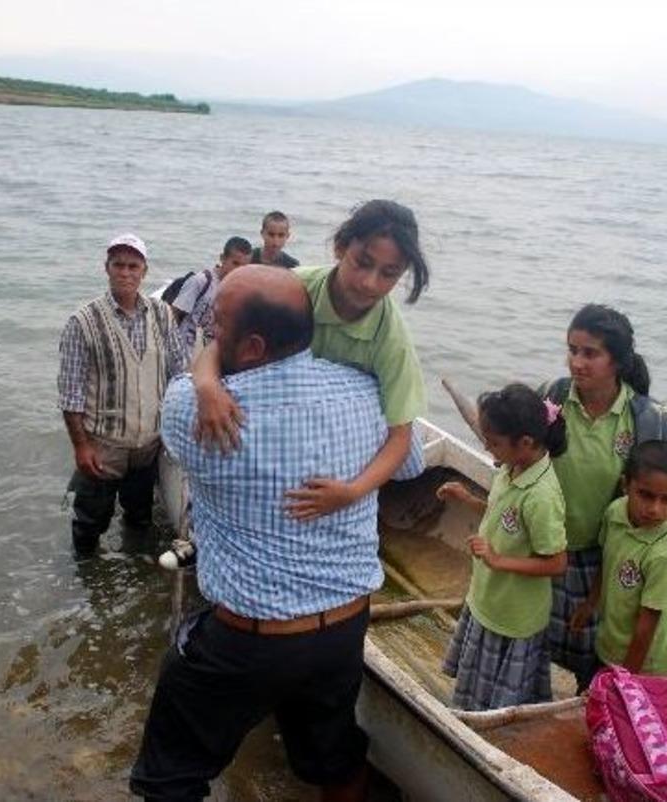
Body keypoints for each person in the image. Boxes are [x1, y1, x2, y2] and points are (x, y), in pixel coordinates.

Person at [130, 264, 424, 802]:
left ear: (254, 345)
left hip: (250, 639)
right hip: (342, 629)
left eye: (217, 325)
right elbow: (408, 464)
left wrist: (206, 373)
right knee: (334, 759)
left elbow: (198, 374)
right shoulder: (366, 393)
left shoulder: (197, 413)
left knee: (168, 777)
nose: (210, 336)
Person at [194, 199, 429, 522]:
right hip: (277, 413)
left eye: (388, 274)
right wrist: (207, 388)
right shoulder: (295, 287)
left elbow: (400, 437)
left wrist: (353, 492)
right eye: (362, 262)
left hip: (335, 442)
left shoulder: (392, 341)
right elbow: (222, 345)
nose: (369, 283)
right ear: (340, 248)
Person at [543, 303, 667, 688]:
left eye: (590, 353)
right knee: (542, 635)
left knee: (594, 649)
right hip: (548, 544)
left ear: (617, 361)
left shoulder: (646, 417)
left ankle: (595, 700)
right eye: (572, 350)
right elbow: (525, 444)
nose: (577, 362)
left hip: (605, 552)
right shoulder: (555, 397)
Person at [437, 383, 568, 710]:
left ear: (525, 443)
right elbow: (502, 516)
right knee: (477, 687)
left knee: (500, 700)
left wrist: (497, 560)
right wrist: (468, 499)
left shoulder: (541, 496)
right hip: (489, 598)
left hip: (514, 615)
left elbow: (556, 563)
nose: (487, 449)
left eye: (493, 443)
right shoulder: (511, 468)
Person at [56, 232, 187, 557]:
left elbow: (179, 373)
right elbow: (70, 394)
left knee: (140, 517)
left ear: (144, 271)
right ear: (107, 268)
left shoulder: (162, 314)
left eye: (133, 266)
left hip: (148, 445)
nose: (126, 273)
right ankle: (88, 584)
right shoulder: (83, 322)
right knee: (89, 523)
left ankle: (133, 571)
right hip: (104, 448)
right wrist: (81, 447)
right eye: (119, 265)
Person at [571, 440, 667, 676]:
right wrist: (590, 603)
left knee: (623, 708)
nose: (655, 509)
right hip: (612, 642)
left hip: (650, 662)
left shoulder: (663, 554)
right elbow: (608, 560)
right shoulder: (615, 512)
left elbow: (647, 626)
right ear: (626, 485)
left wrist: (626, 681)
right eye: (646, 495)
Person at [169, 236, 252, 353]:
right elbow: (175, 313)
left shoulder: (238, 291)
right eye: (235, 263)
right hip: (183, 348)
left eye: (243, 267)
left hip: (208, 352)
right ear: (222, 258)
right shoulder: (202, 281)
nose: (238, 270)